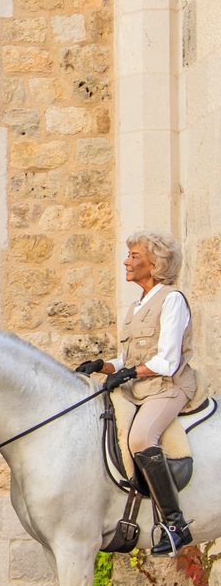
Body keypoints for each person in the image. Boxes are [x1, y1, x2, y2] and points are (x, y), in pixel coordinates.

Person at [79, 232, 198, 555]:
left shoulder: (172, 299)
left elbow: (168, 361)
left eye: (134, 256)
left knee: (141, 439)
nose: (126, 261)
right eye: (128, 255)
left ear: (155, 263)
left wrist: (129, 372)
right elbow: (129, 360)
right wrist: (103, 365)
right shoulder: (136, 306)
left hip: (169, 388)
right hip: (139, 388)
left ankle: (175, 525)